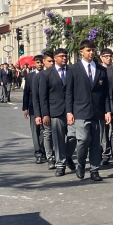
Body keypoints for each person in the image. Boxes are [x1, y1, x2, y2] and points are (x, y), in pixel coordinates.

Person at [66, 40, 111, 181]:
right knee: (83, 140)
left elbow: (106, 94)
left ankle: (94, 170)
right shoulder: (73, 69)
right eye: (88, 50)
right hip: (80, 111)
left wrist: (108, 111)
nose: (91, 53)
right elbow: (69, 92)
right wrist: (69, 111)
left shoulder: (101, 70)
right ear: (81, 51)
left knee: (96, 143)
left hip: (97, 111)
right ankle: (81, 165)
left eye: (93, 50)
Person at [39, 48, 77, 177]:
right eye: (61, 56)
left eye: (66, 56)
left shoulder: (72, 71)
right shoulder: (47, 74)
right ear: (55, 58)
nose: (64, 58)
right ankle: (60, 164)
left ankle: (67, 156)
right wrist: (45, 114)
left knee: (75, 136)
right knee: (58, 139)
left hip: (71, 110)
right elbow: (43, 96)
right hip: (55, 111)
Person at [33, 51, 55, 169]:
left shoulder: (60, 73)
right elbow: (36, 97)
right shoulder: (38, 76)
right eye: (49, 61)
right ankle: (50, 157)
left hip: (59, 110)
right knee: (47, 134)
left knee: (61, 135)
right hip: (45, 111)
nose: (51, 63)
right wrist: (38, 114)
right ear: (44, 62)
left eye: (53, 61)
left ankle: (60, 155)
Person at [23, 55, 46, 164]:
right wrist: (25, 108)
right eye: (38, 62)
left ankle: (45, 150)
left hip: (45, 107)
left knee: (44, 131)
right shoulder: (30, 76)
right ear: (34, 64)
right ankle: (38, 152)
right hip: (33, 107)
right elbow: (26, 93)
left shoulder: (48, 74)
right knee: (35, 130)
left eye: (41, 62)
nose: (40, 64)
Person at [99, 48, 113, 165]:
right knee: (104, 131)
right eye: (106, 56)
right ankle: (105, 153)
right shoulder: (100, 70)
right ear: (101, 57)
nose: (109, 58)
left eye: (110, 56)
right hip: (103, 104)